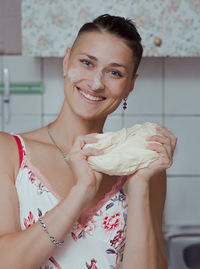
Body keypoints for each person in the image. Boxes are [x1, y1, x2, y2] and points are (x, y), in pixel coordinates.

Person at [0, 14, 177, 269]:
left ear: (130, 86)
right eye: (86, 63)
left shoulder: (146, 169)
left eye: (114, 73)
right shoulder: (8, 153)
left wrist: (139, 185)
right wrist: (80, 193)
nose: (95, 83)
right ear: (66, 62)